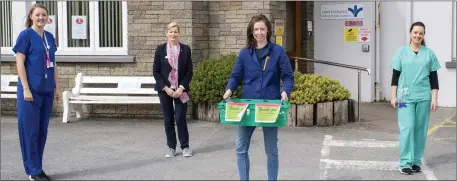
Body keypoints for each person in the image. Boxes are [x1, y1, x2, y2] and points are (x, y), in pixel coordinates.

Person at [223, 14, 294, 180]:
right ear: (251, 32)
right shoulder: (244, 53)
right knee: (240, 148)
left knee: (271, 150)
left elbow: (288, 76)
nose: (259, 32)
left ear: (268, 30)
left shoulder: (278, 52)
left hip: (270, 106)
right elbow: (235, 76)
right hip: (248, 107)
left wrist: (286, 91)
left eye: (262, 29)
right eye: (256, 29)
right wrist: (229, 89)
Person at [12, 3, 60, 181]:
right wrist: (25, 88)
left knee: (42, 132)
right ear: (31, 16)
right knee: (30, 132)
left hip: (46, 90)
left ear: (48, 18)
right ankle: (32, 170)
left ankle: (38, 168)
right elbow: (19, 63)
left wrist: (57, 87)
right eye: (38, 15)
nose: (41, 18)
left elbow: (53, 64)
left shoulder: (49, 37)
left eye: (44, 15)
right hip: (30, 91)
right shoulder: (25, 36)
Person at [389, 21, 440, 175]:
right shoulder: (401, 52)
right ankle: (404, 162)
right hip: (404, 98)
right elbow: (395, 76)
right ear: (410, 33)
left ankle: (416, 161)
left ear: (423, 35)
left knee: (420, 129)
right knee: (407, 128)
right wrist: (393, 96)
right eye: (415, 32)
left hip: (424, 97)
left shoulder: (429, 54)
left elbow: (434, 78)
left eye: (421, 33)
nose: (418, 35)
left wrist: (434, 98)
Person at [153, 22, 193, 158]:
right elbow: (156, 72)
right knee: (168, 119)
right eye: (170, 32)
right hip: (165, 90)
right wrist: (166, 88)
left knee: (180, 118)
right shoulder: (160, 49)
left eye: (175, 32)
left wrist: (181, 88)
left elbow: (189, 71)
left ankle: (185, 147)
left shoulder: (186, 49)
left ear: (179, 34)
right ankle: (171, 147)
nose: (173, 34)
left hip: (181, 90)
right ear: (166, 33)